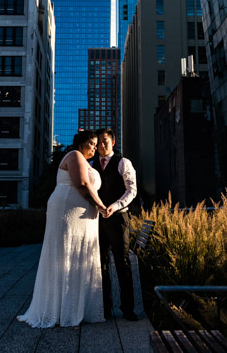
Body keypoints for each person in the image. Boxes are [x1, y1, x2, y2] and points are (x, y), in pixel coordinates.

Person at [18, 130, 108, 328]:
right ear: (82, 143)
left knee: (78, 257)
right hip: (68, 212)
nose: (95, 147)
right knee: (65, 254)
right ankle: (59, 310)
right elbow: (82, 184)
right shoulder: (74, 155)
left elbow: (90, 187)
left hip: (84, 217)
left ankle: (76, 308)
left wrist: (100, 207)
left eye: (96, 144)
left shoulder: (87, 163)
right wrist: (101, 206)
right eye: (92, 143)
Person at [91, 128, 138, 321]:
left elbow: (132, 190)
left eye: (105, 141)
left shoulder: (123, 162)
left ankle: (128, 309)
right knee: (100, 264)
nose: (102, 145)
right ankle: (105, 307)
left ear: (113, 142)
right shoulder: (91, 164)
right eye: (99, 142)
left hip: (119, 219)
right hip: (97, 221)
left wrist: (115, 206)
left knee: (122, 263)